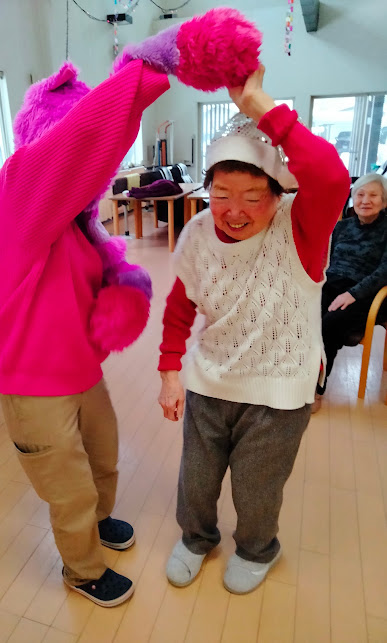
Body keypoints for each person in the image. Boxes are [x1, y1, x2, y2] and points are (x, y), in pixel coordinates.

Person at [0, 7, 264, 608]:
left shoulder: (77, 225)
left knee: (103, 462)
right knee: (68, 488)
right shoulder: (17, 196)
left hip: (81, 374)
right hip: (33, 385)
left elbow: (102, 266)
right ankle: (81, 569)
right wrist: (159, 59)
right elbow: (82, 139)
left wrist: (121, 291)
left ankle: (98, 521)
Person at [158, 65, 350, 595]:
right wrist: (170, 371)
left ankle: (257, 549)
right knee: (196, 477)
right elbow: (180, 305)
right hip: (211, 378)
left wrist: (257, 102)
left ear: (279, 192)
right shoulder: (198, 233)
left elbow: (333, 178)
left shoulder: (302, 227)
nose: (234, 211)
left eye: (252, 196)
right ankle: (196, 537)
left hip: (279, 387)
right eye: (221, 194)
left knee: (257, 485)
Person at [314, 173, 387, 411]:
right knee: (303, 318)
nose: (365, 200)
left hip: (367, 293)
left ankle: (316, 388)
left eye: (373, 195)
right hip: (332, 284)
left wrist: (353, 294)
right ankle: (292, 378)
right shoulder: (341, 227)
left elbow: (384, 271)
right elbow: (326, 261)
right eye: (360, 194)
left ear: (384, 201)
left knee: (329, 325)